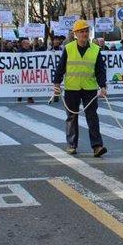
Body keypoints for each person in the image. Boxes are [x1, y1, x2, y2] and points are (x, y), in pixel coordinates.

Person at [52, 19, 107, 157]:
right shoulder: (69, 48)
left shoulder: (95, 49)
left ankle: (97, 146)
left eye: (86, 31)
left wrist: (103, 86)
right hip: (72, 88)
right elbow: (61, 68)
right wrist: (57, 84)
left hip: (89, 88)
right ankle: (71, 145)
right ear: (76, 34)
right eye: (81, 31)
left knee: (92, 117)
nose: (84, 34)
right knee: (72, 117)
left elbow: (100, 70)